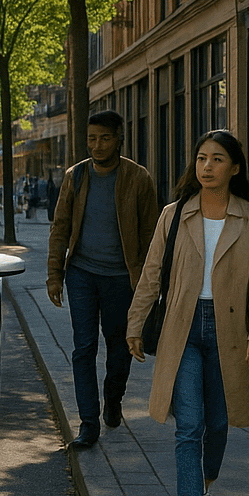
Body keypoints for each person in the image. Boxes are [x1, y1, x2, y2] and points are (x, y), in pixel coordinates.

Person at [126, 131, 249, 496]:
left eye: (216, 159)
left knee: (218, 424)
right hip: (182, 328)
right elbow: (152, 273)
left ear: (235, 168)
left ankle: (209, 484)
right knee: (188, 427)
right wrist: (134, 324)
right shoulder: (174, 215)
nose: (206, 166)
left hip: (231, 332)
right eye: (201, 158)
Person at [47, 109, 160, 450]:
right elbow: (60, 227)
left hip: (121, 279)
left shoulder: (138, 179)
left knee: (118, 347)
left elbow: (151, 235)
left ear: (119, 140)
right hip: (81, 274)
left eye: (105, 138)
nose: (97, 145)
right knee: (83, 348)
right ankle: (88, 423)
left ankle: (114, 398)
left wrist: (150, 285)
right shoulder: (76, 176)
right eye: (92, 138)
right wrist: (55, 274)